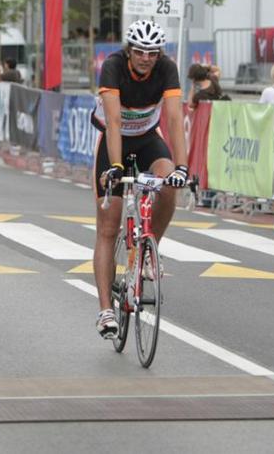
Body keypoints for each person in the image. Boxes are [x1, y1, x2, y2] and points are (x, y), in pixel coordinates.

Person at [91, 19, 188, 339]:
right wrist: (117, 166)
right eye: (140, 51)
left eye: (152, 52)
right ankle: (106, 310)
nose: (146, 58)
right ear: (129, 50)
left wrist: (182, 168)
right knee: (108, 227)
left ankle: (148, 249)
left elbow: (174, 118)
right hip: (114, 141)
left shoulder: (167, 68)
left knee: (169, 183)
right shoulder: (113, 67)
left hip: (147, 139)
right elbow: (114, 121)